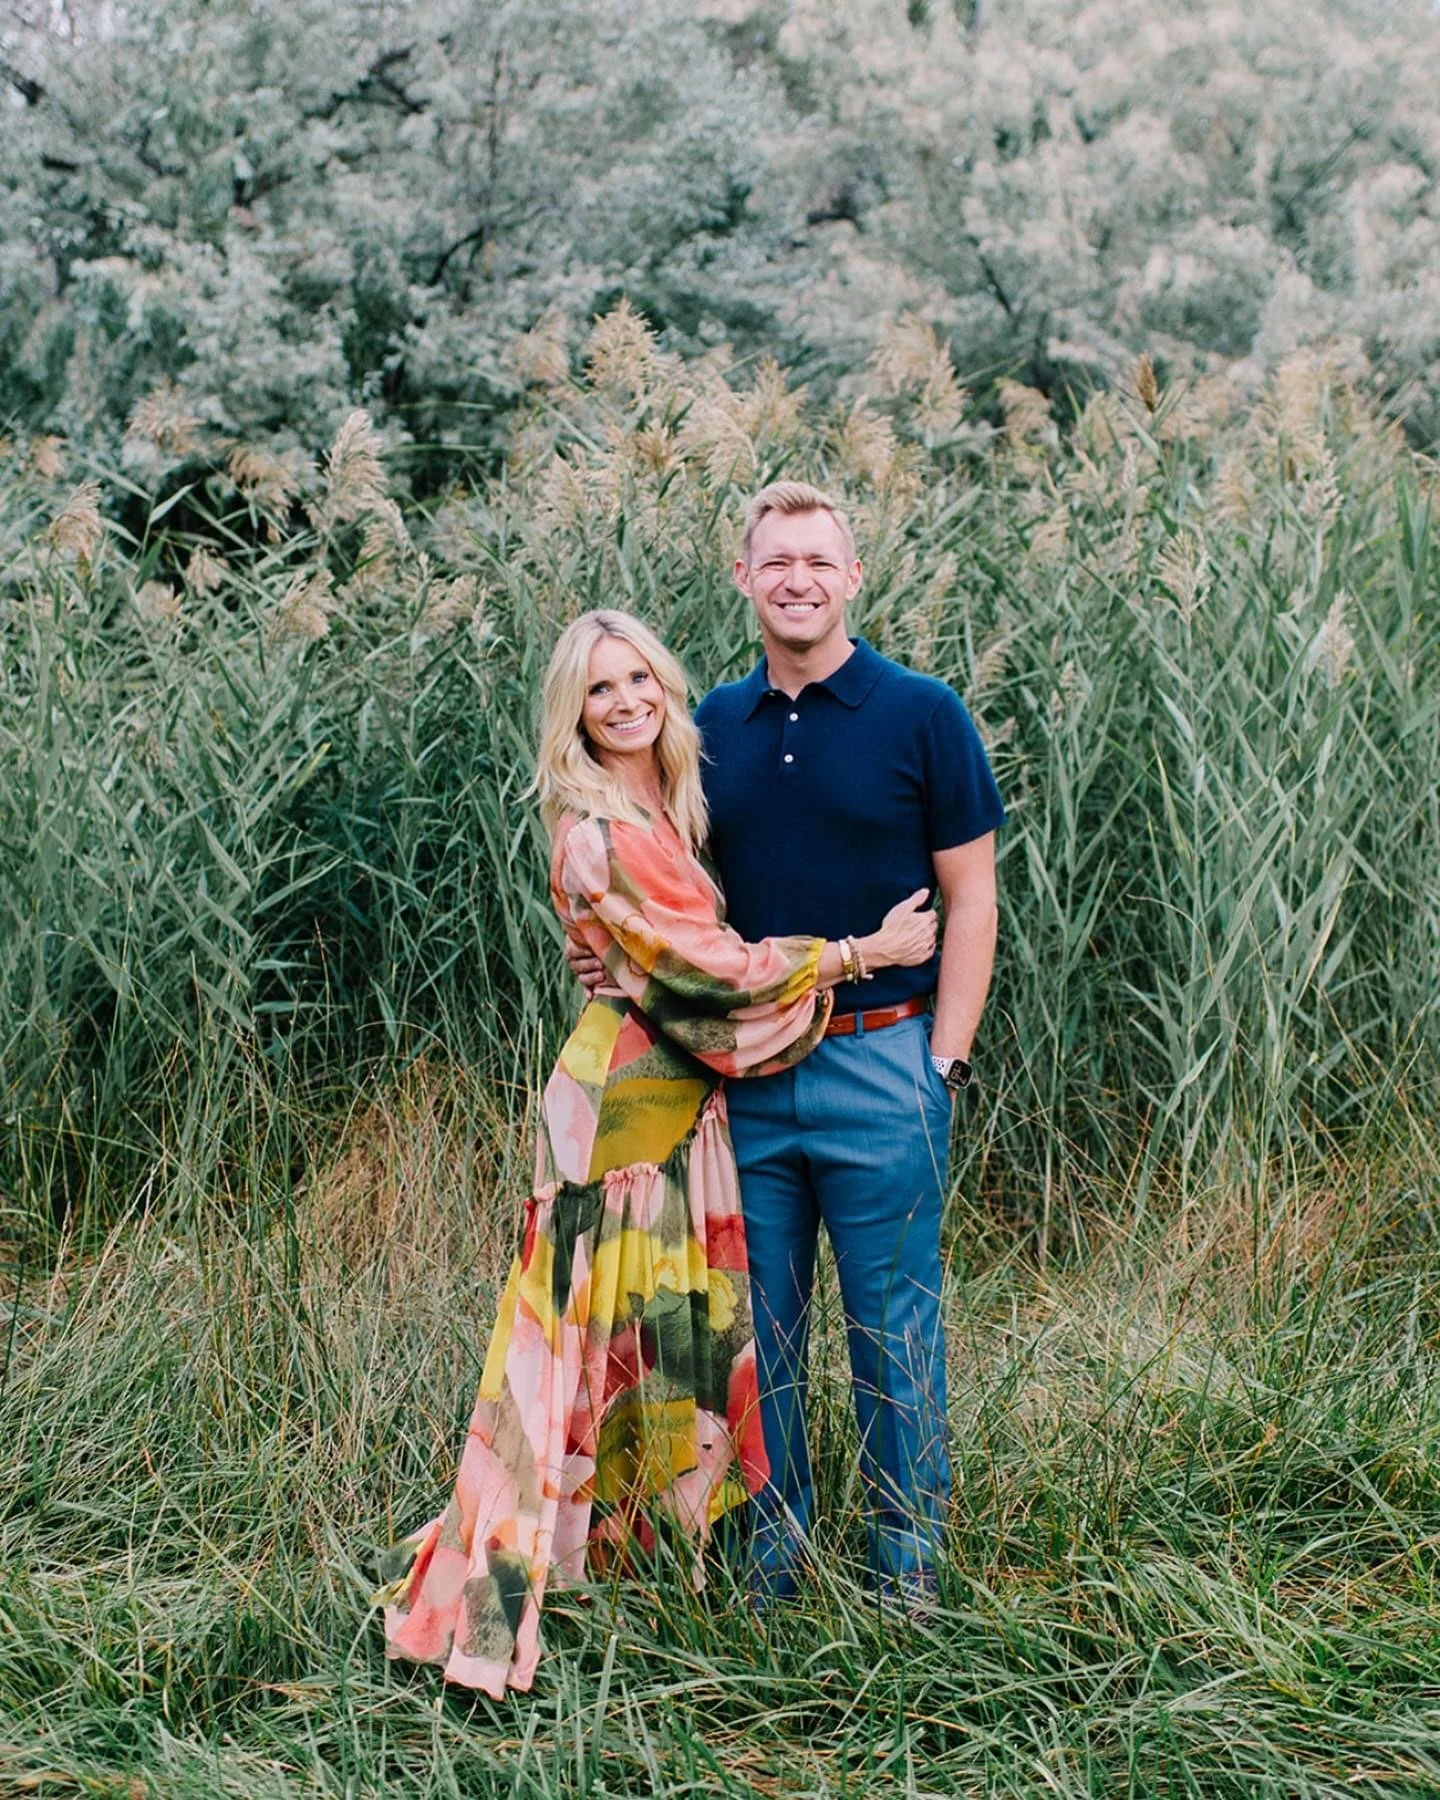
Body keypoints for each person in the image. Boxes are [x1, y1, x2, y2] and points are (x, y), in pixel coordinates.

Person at [377, 608, 938, 1697]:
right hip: (621, 1119)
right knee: (568, 1358)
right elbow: (709, 975)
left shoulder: (665, 804)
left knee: (649, 1354)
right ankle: (496, 1601)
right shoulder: (595, 829)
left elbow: (660, 967)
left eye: (640, 678)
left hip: (674, 1104)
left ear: (667, 689)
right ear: (571, 715)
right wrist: (862, 954)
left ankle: (628, 1583)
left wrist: (626, 970)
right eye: (599, 689)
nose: (626, 700)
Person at [572, 481, 1004, 1607]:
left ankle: (908, 1568)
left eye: (819, 560)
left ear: (853, 576)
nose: (798, 579)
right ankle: (776, 1563)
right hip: (743, 1081)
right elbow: (646, 878)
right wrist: (607, 953)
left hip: (884, 1059)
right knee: (757, 1334)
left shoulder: (924, 714)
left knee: (893, 1321)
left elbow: (974, 900)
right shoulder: (705, 730)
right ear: (745, 579)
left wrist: (942, 1061)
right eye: (777, 561)